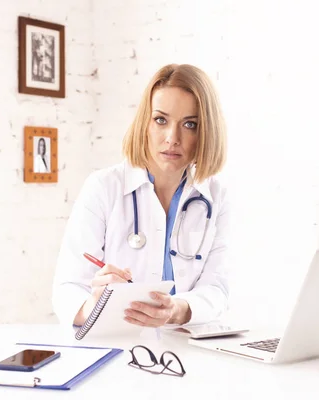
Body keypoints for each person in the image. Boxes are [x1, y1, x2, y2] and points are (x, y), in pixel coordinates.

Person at [52, 63, 230, 328]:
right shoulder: (103, 187)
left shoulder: (216, 196)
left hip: (187, 348)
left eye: (190, 124)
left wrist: (178, 309)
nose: (172, 138)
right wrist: (96, 304)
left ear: (206, 132)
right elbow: (66, 291)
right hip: (117, 344)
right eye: (161, 120)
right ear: (145, 123)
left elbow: (217, 289)